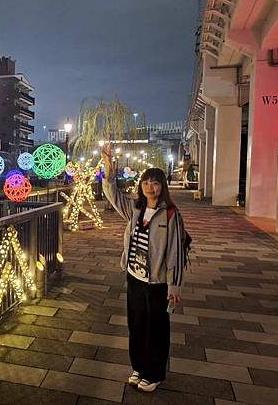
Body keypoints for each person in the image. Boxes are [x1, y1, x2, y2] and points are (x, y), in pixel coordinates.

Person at [101, 144, 188, 393]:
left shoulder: (171, 214)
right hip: (135, 277)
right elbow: (113, 195)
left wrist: (175, 285)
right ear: (141, 186)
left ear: (163, 186)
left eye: (156, 183)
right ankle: (139, 368)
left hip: (158, 282)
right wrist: (109, 169)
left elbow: (176, 251)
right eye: (147, 182)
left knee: (157, 329)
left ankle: (155, 373)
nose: (151, 187)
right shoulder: (136, 209)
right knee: (136, 325)